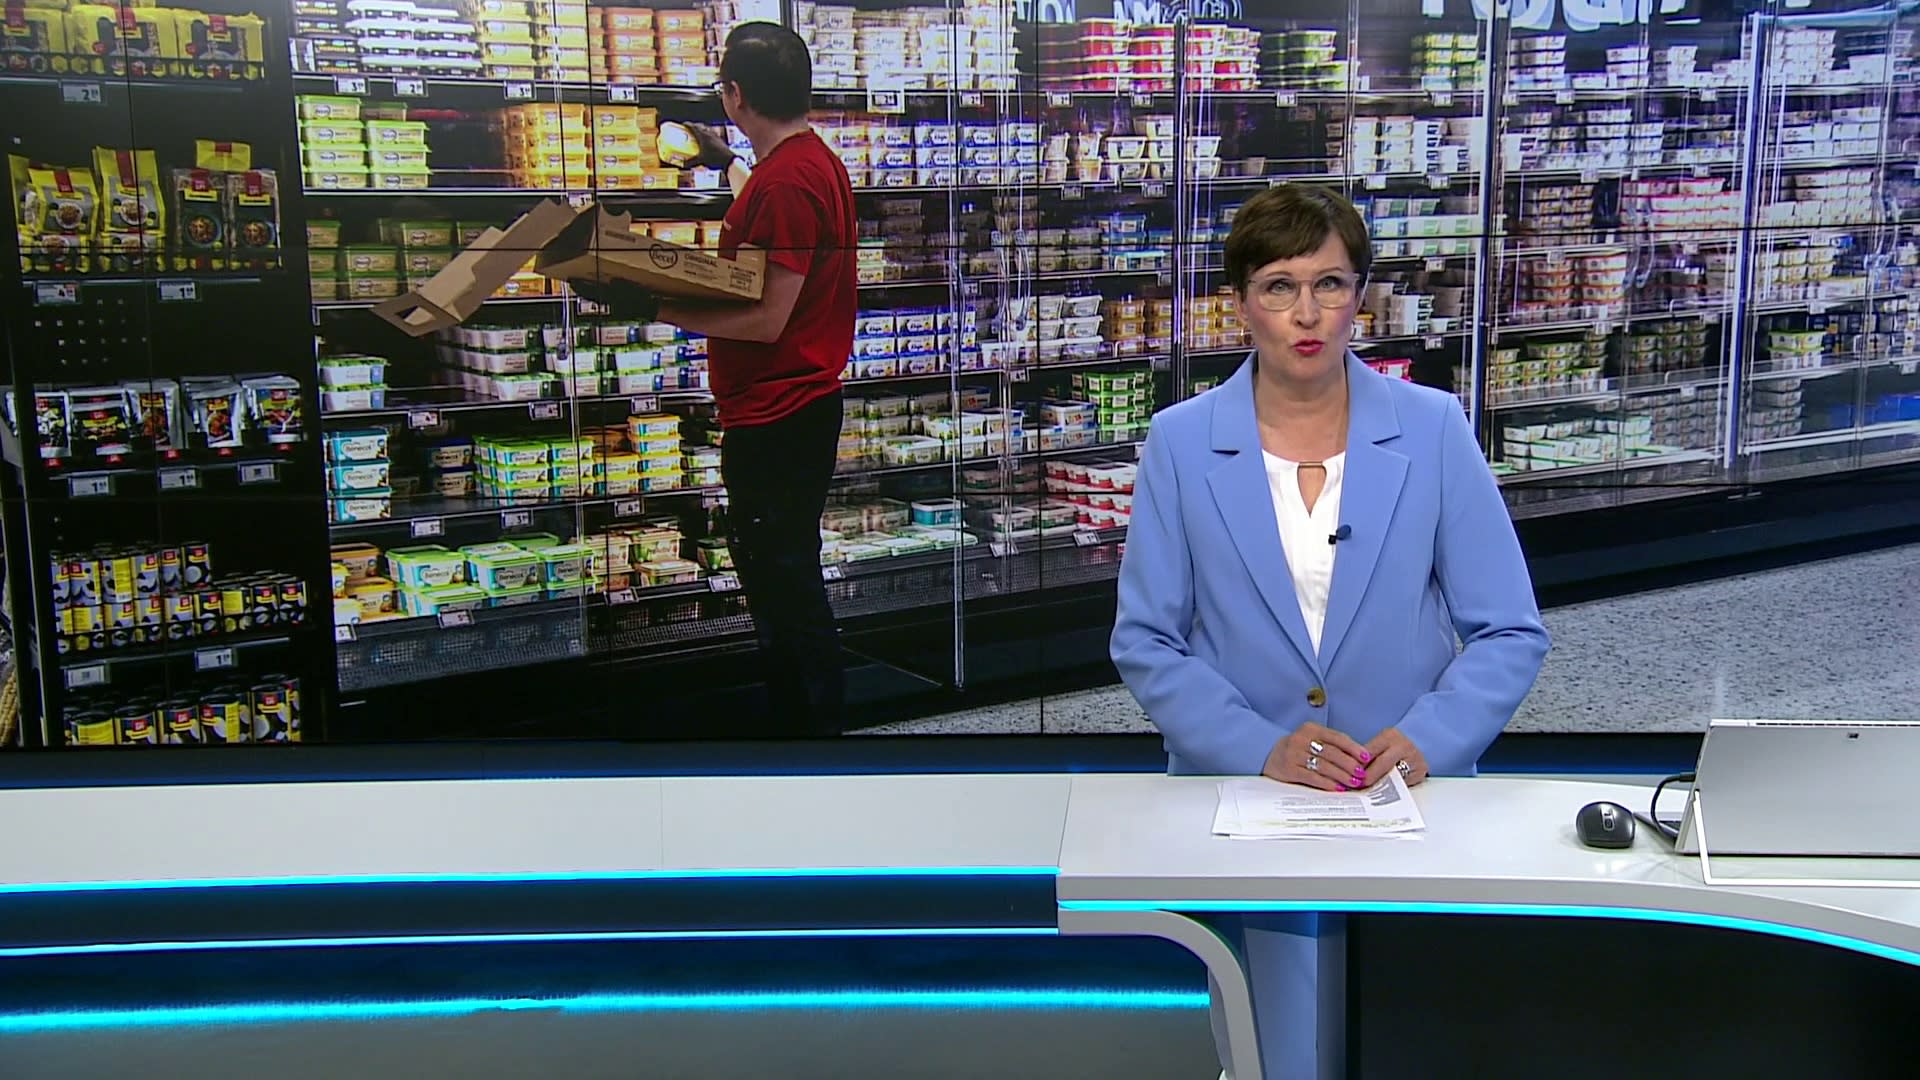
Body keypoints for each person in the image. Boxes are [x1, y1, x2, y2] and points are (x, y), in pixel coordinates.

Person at [1108, 184, 1551, 1079]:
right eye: (1279, 286)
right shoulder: (1180, 442)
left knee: (1403, 1036)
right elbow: (1147, 640)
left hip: (1408, 803)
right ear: (1241, 302)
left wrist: (1429, 740)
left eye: (1331, 284)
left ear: (1360, 296)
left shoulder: (1433, 429)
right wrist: (1260, 746)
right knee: (1273, 1045)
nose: (1307, 314)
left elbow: (1509, 628)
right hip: (1245, 803)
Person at [577, 22, 854, 736]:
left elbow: (765, 319)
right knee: (784, 575)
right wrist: (724, 158)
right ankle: (808, 730)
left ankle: (810, 739)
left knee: (783, 586)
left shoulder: (787, 183)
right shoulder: (804, 163)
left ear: (733, 94)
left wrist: (650, 303)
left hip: (778, 415)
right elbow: (769, 216)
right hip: (796, 406)